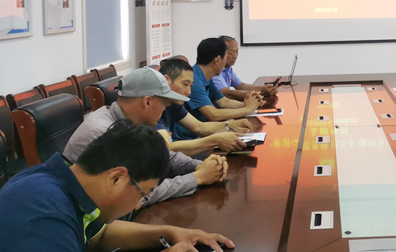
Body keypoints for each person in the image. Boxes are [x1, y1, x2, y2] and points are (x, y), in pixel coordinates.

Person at [0, 120, 234, 252]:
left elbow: (99, 235)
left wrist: (170, 233)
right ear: (116, 178)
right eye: (143, 193)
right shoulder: (44, 214)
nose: (138, 204)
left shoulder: (71, 183)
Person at [64, 68, 228, 208]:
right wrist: (197, 178)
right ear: (147, 102)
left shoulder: (131, 121)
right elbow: (136, 194)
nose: (164, 110)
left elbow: (159, 156)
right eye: (164, 103)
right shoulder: (105, 134)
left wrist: (200, 166)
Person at [158, 58, 254, 156]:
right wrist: (215, 140)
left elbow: (199, 127)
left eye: (190, 86)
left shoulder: (174, 103)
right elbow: (166, 148)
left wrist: (230, 125)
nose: (189, 92)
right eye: (185, 84)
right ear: (166, 81)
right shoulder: (153, 106)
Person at [173, 38, 263, 141]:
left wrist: (249, 103)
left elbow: (224, 102)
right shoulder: (194, 80)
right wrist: (247, 109)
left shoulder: (206, 77)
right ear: (217, 60)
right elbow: (213, 115)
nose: (225, 63)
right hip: (187, 139)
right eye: (225, 58)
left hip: (199, 134)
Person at [212, 36, 278, 100]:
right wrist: (260, 93)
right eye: (231, 52)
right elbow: (226, 93)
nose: (235, 56)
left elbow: (241, 86)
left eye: (237, 52)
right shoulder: (214, 70)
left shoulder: (228, 69)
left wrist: (263, 89)